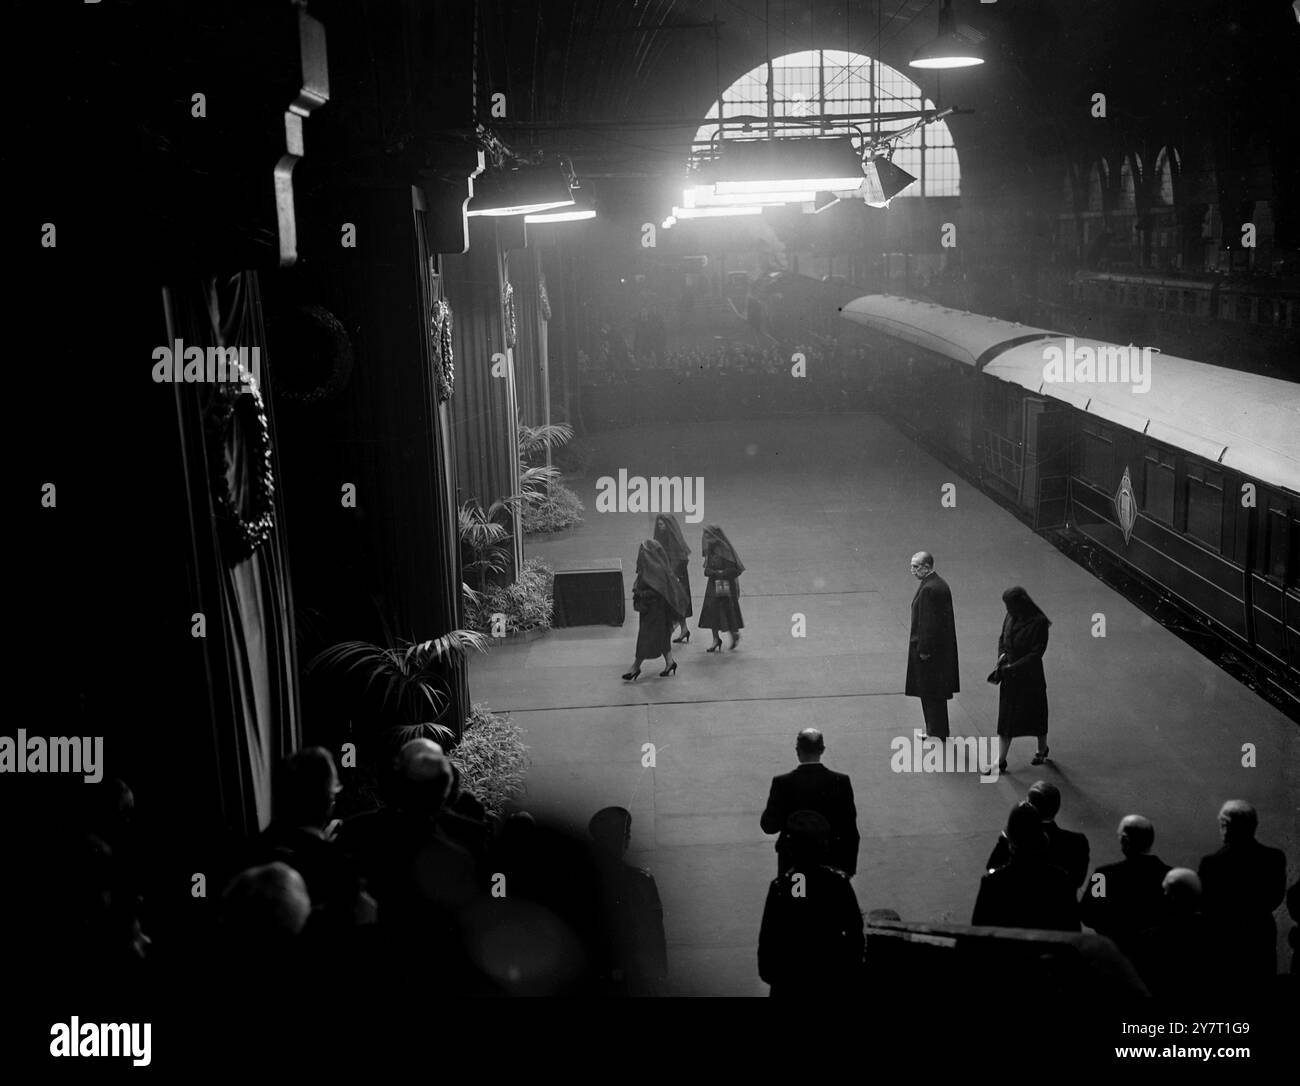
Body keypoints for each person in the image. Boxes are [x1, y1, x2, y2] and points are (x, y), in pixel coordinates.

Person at [757, 812, 864, 997]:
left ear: (791, 846)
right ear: (824, 845)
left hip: (788, 987)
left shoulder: (781, 886)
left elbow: (767, 948)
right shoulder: (839, 884)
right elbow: (855, 937)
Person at [1197, 800, 1287, 986]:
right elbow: (1275, 897)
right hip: (1260, 934)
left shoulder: (1212, 863)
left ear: (1227, 826)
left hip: (1223, 939)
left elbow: (1205, 904)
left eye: (1222, 824)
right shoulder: (1274, 858)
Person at [588, 807, 668, 996]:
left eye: (624, 835)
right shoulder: (641, 882)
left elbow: (654, 936)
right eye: (621, 835)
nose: (625, 841)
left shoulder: (642, 882)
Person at [759, 729, 860, 877]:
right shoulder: (840, 782)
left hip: (794, 863)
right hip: (830, 864)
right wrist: (847, 870)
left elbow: (769, 826)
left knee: (797, 897)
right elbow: (850, 831)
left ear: (797, 751)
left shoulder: (782, 783)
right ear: (822, 750)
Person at [972, 802, 1080, 932]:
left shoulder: (991, 883)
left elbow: (978, 931)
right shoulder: (1062, 880)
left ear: (1010, 841)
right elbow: (1072, 931)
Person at [1078, 815, 1171, 959]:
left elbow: (1089, 915)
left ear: (1124, 839)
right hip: (1159, 955)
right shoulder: (1170, 876)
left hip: (1114, 954)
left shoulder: (1101, 876)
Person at [988, 586, 1051, 771]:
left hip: (1029, 677)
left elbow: (1036, 653)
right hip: (1011, 675)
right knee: (1006, 720)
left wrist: (1011, 667)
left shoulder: (1039, 622)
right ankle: (1001, 760)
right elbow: (1002, 638)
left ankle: (1041, 749)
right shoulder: (1010, 615)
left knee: (1037, 715)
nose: (1007, 609)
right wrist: (1002, 656)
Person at [985, 781, 1090, 891]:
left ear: (1029, 806)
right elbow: (1078, 881)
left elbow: (992, 867)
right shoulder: (1078, 842)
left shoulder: (1016, 840)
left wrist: (1007, 835)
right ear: (1057, 807)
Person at [905, 551, 958, 739]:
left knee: (929, 692)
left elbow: (927, 624)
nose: (912, 570)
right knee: (935, 693)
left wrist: (924, 650)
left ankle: (934, 730)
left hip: (928, 652)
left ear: (927, 566)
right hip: (939, 651)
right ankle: (937, 729)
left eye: (915, 566)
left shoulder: (929, 589)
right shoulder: (938, 584)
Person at [623, 539, 689, 681]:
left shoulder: (657, 570)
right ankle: (670, 662)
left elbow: (659, 591)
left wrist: (641, 593)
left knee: (645, 638)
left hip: (655, 610)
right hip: (651, 609)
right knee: (663, 636)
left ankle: (636, 666)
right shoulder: (651, 567)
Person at [699, 525, 745, 651]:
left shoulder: (725, 550)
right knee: (711, 612)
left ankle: (733, 634)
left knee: (726, 610)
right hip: (713, 586)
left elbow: (734, 569)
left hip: (724, 586)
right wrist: (711, 572)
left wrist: (720, 573)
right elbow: (707, 569)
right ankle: (715, 639)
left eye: (708, 535)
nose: (706, 538)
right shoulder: (710, 549)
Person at [653, 513, 693, 644]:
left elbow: (682, 559)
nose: (660, 527)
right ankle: (684, 629)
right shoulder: (661, 538)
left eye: (662, 524)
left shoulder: (674, 540)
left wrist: (674, 576)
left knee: (675, 604)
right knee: (675, 604)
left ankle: (671, 630)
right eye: (658, 525)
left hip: (677, 578)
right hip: (668, 577)